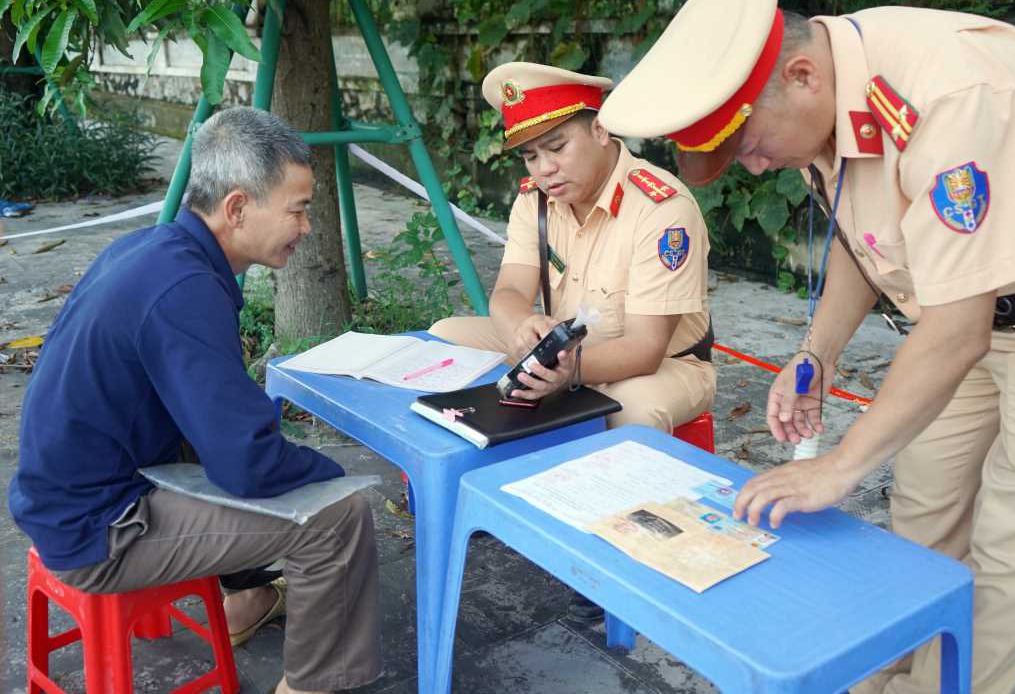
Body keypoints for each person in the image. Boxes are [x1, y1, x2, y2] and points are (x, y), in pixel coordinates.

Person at [599, 0, 1015, 692]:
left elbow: (959, 328)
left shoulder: (948, 94)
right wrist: (815, 354)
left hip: (970, 317)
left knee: (1008, 547)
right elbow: (866, 241)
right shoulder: (825, 95)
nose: (755, 166)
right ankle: (886, 675)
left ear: (802, 77)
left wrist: (839, 466)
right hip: (968, 312)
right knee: (923, 515)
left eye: (753, 146)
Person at [8, 107, 382, 694]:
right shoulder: (185, 289)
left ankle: (248, 598)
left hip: (62, 493)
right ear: (237, 208)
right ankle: (312, 686)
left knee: (214, 439)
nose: (307, 226)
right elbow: (248, 463)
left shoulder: (151, 247)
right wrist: (329, 475)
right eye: (298, 209)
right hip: (99, 530)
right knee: (338, 517)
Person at [430, 62, 716, 435]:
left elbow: (646, 348)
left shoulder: (661, 210)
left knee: (632, 412)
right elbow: (510, 291)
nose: (545, 169)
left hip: (662, 365)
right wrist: (522, 328)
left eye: (557, 147)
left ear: (600, 130)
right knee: (443, 337)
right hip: (559, 349)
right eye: (531, 156)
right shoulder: (535, 201)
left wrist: (570, 370)